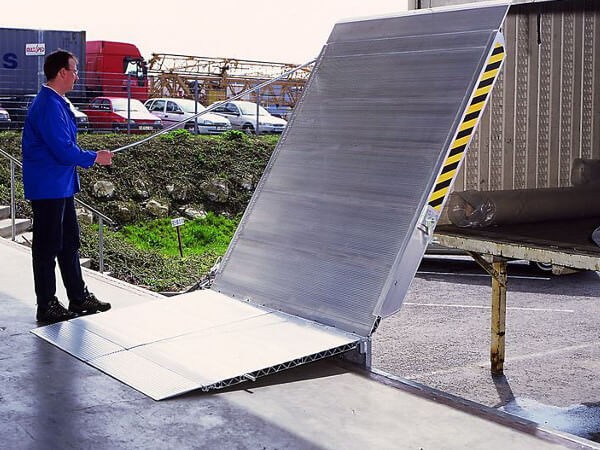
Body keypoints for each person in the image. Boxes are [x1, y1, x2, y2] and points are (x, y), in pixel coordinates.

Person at [22, 49, 114, 324]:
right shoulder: (48, 105)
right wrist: (95, 157)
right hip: (48, 187)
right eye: (74, 70)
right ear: (62, 72)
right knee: (47, 248)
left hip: (60, 187)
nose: (76, 75)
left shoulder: (58, 102)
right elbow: (63, 150)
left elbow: (65, 147)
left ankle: (78, 296)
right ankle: (47, 304)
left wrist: (90, 156)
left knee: (69, 244)